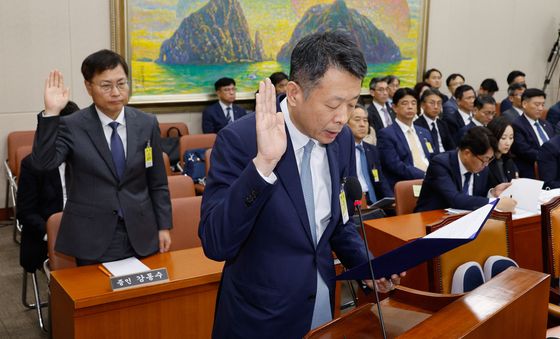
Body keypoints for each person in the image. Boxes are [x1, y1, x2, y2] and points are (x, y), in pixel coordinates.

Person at [199, 31, 403, 338]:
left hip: (321, 306)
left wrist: (368, 268)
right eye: (333, 104)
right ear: (293, 93)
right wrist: (263, 164)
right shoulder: (241, 139)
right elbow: (216, 242)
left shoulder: (342, 139)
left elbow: (339, 224)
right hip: (261, 317)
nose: (342, 118)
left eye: (351, 104)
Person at [32, 50, 172, 265]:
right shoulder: (72, 125)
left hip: (142, 230)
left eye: (122, 83)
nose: (116, 92)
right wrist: (51, 114)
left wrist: (163, 226)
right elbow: (43, 163)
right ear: (89, 87)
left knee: (143, 294)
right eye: (106, 86)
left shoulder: (147, 123)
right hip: (93, 234)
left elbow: (157, 181)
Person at [17, 101, 79, 273]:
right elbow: (25, 213)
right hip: (45, 237)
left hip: (85, 232)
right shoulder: (32, 165)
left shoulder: (85, 160)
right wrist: (53, 233)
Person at [415, 126, 516, 212]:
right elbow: (455, 200)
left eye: (489, 159)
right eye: (485, 159)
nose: (486, 164)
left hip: (465, 221)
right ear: (467, 153)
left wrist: (492, 194)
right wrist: (495, 203)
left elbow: (475, 199)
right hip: (430, 221)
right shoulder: (440, 164)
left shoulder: (482, 166)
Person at [378, 88, 434, 188]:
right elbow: (395, 165)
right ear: (394, 107)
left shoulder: (424, 132)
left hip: (431, 180)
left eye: (413, 103)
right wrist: (425, 175)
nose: (410, 107)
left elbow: (433, 157)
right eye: (404, 103)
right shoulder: (386, 134)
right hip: (407, 183)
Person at [347, 104, 393, 204]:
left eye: (365, 120)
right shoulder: (340, 151)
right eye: (357, 120)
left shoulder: (372, 150)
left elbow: (380, 179)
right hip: (355, 202)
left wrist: (391, 200)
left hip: (375, 202)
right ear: (346, 123)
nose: (362, 124)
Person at [511, 88, 554, 178]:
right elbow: (525, 151)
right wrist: (550, 157)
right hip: (532, 171)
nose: (541, 108)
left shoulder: (546, 124)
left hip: (552, 167)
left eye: (543, 105)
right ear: (525, 104)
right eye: (537, 105)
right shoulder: (517, 125)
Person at [414, 89, 455, 154]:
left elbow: (451, 147)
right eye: (432, 103)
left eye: (439, 103)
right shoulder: (416, 125)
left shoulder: (442, 124)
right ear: (422, 105)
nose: (436, 107)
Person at [486, 116, 519, 189]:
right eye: (503, 138)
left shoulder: (509, 161)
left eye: (511, 138)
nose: (508, 143)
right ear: (494, 137)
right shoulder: (485, 163)